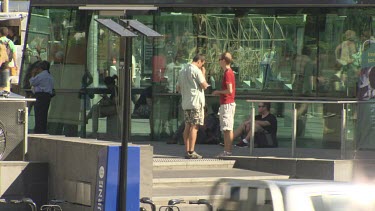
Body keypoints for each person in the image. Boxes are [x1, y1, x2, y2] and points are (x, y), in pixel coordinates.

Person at [176, 54, 209, 159]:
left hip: (186, 102)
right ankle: (191, 151)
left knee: (187, 126)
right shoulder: (196, 71)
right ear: (199, 61)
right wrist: (203, 74)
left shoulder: (182, 71)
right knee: (194, 127)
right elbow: (204, 86)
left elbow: (178, 88)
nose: (201, 66)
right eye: (201, 64)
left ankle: (187, 150)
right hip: (196, 102)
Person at [212, 52, 236, 157]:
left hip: (227, 103)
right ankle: (227, 150)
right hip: (226, 103)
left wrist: (218, 92)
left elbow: (229, 90)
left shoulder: (228, 73)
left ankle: (228, 151)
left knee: (227, 128)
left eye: (219, 59)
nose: (218, 61)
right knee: (226, 128)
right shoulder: (228, 72)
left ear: (223, 61)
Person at [29, 61, 54, 134]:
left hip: (40, 95)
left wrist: (33, 74)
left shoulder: (41, 76)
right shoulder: (50, 76)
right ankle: (43, 129)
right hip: (47, 96)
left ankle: (38, 130)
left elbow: (32, 82)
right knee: (44, 114)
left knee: (38, 114)